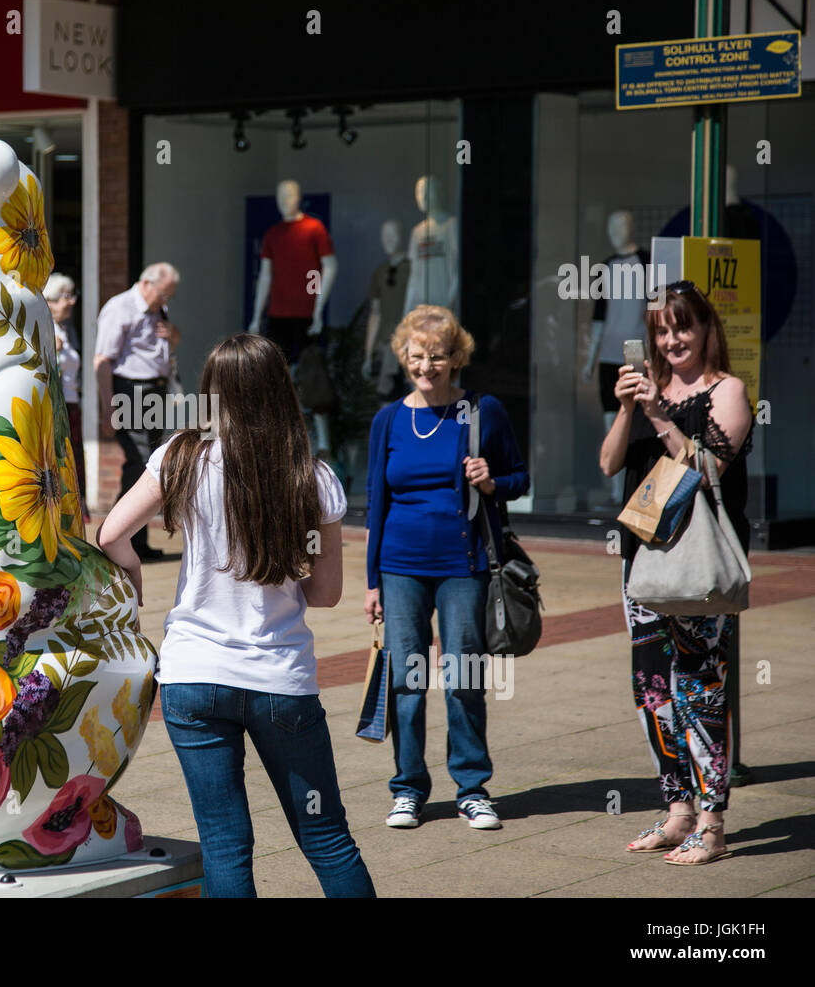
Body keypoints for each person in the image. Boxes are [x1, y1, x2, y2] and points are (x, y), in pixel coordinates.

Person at [98, 333, 374, 898]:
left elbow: (110, 533)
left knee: (224, 843)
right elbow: (325, 596)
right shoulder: (311, 476)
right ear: (280, 390)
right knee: (325, 837)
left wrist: (134, 576)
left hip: (192, 678)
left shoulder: (181, 456)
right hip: (279, 682)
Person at [599, 280, 752, 865]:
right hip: (644, 563)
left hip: (698, 569)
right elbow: (610, 462)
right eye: (662, 330)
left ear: (706, 327)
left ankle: (712, 825)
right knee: (653, 693)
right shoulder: (648, 390)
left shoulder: (728, 391)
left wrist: (662, 417)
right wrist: (626, 409)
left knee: (702, 690)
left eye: (682, 326)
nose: (672, 339)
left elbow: (708, 466)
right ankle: (678, 810)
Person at [363, 305, 528, 831]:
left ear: (456, 357)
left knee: (464, 678)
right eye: (417, 356)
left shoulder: (483, 411)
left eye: (437, 356)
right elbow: (376, 504)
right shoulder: (388, 419)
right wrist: (372, 582)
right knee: (407, 684)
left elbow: (520, 478)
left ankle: (472, 788)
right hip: (400, 567)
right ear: (403, 357)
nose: (426, 366)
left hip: (464, 564)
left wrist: (492, 483)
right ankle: (408, 789)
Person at [94, 262, 181, 560]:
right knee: (142, 463)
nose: (165, 301)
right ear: (147, 284)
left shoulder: (159, 311)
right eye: (164, 294)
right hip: (131, 391)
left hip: (155, 390)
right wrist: (108, 407)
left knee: (151, 462)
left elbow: (165, 350)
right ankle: (118, 535)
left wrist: (174, 336)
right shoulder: (120, 308)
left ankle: (135, 540)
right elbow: (102, 360)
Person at [44, 272, 89, 520]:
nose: (71, 302)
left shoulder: (65, 330)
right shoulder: (44, 330)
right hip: (56, 409)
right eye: (64, 297)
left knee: (73, 463)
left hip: (71, 404)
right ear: (48, 301)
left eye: (72, 296)